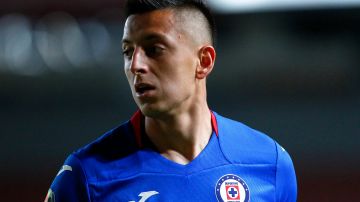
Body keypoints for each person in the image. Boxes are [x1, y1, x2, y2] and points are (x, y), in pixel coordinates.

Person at [45, 0, 297, 201]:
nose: (135, 65)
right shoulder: (86, 176)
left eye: (154, 49)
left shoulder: (269, 163)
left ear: (204, 61)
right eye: (127, 51)